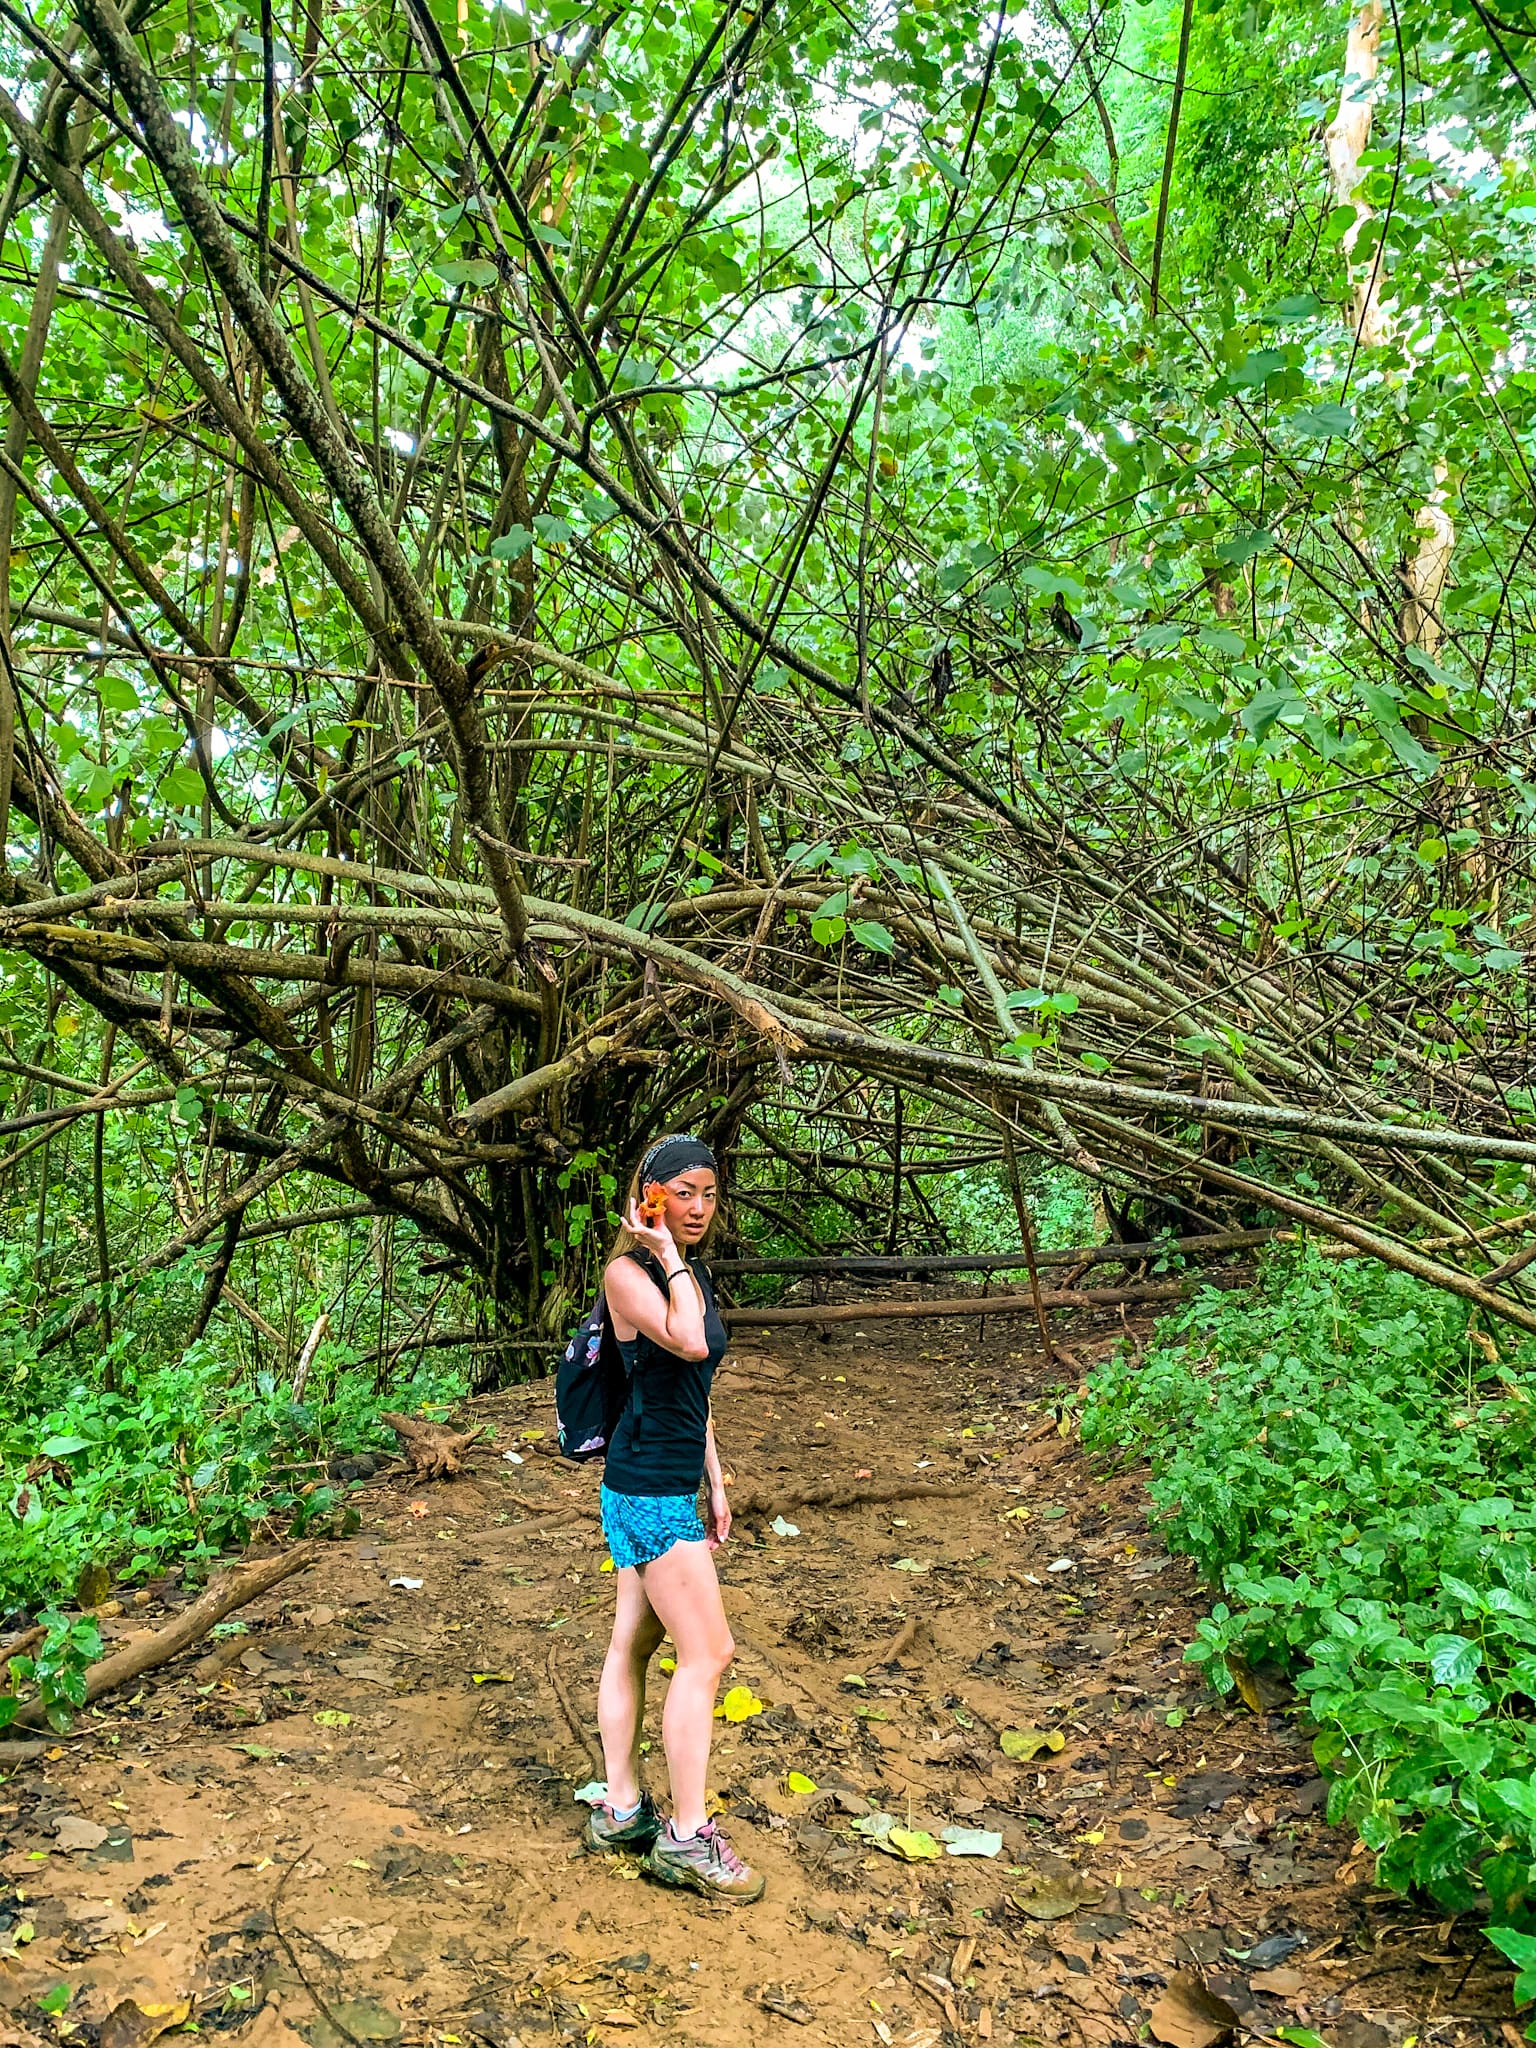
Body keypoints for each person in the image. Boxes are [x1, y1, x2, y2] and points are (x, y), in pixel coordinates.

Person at [583, 1133, 763, 1903]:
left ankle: (622, 1807)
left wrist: (716, 1484)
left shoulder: (694, 1272)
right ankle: (687, 1838)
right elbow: (688, 1343)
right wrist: (667, 1254)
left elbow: (699, 1396)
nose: (697, 1208)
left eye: (709, 1193)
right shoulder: (629, 1273)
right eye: (681, 1192)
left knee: (634, 1639)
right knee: (708, 1654)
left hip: (664, 1479)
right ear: (648, 1194)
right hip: (647, 1489)